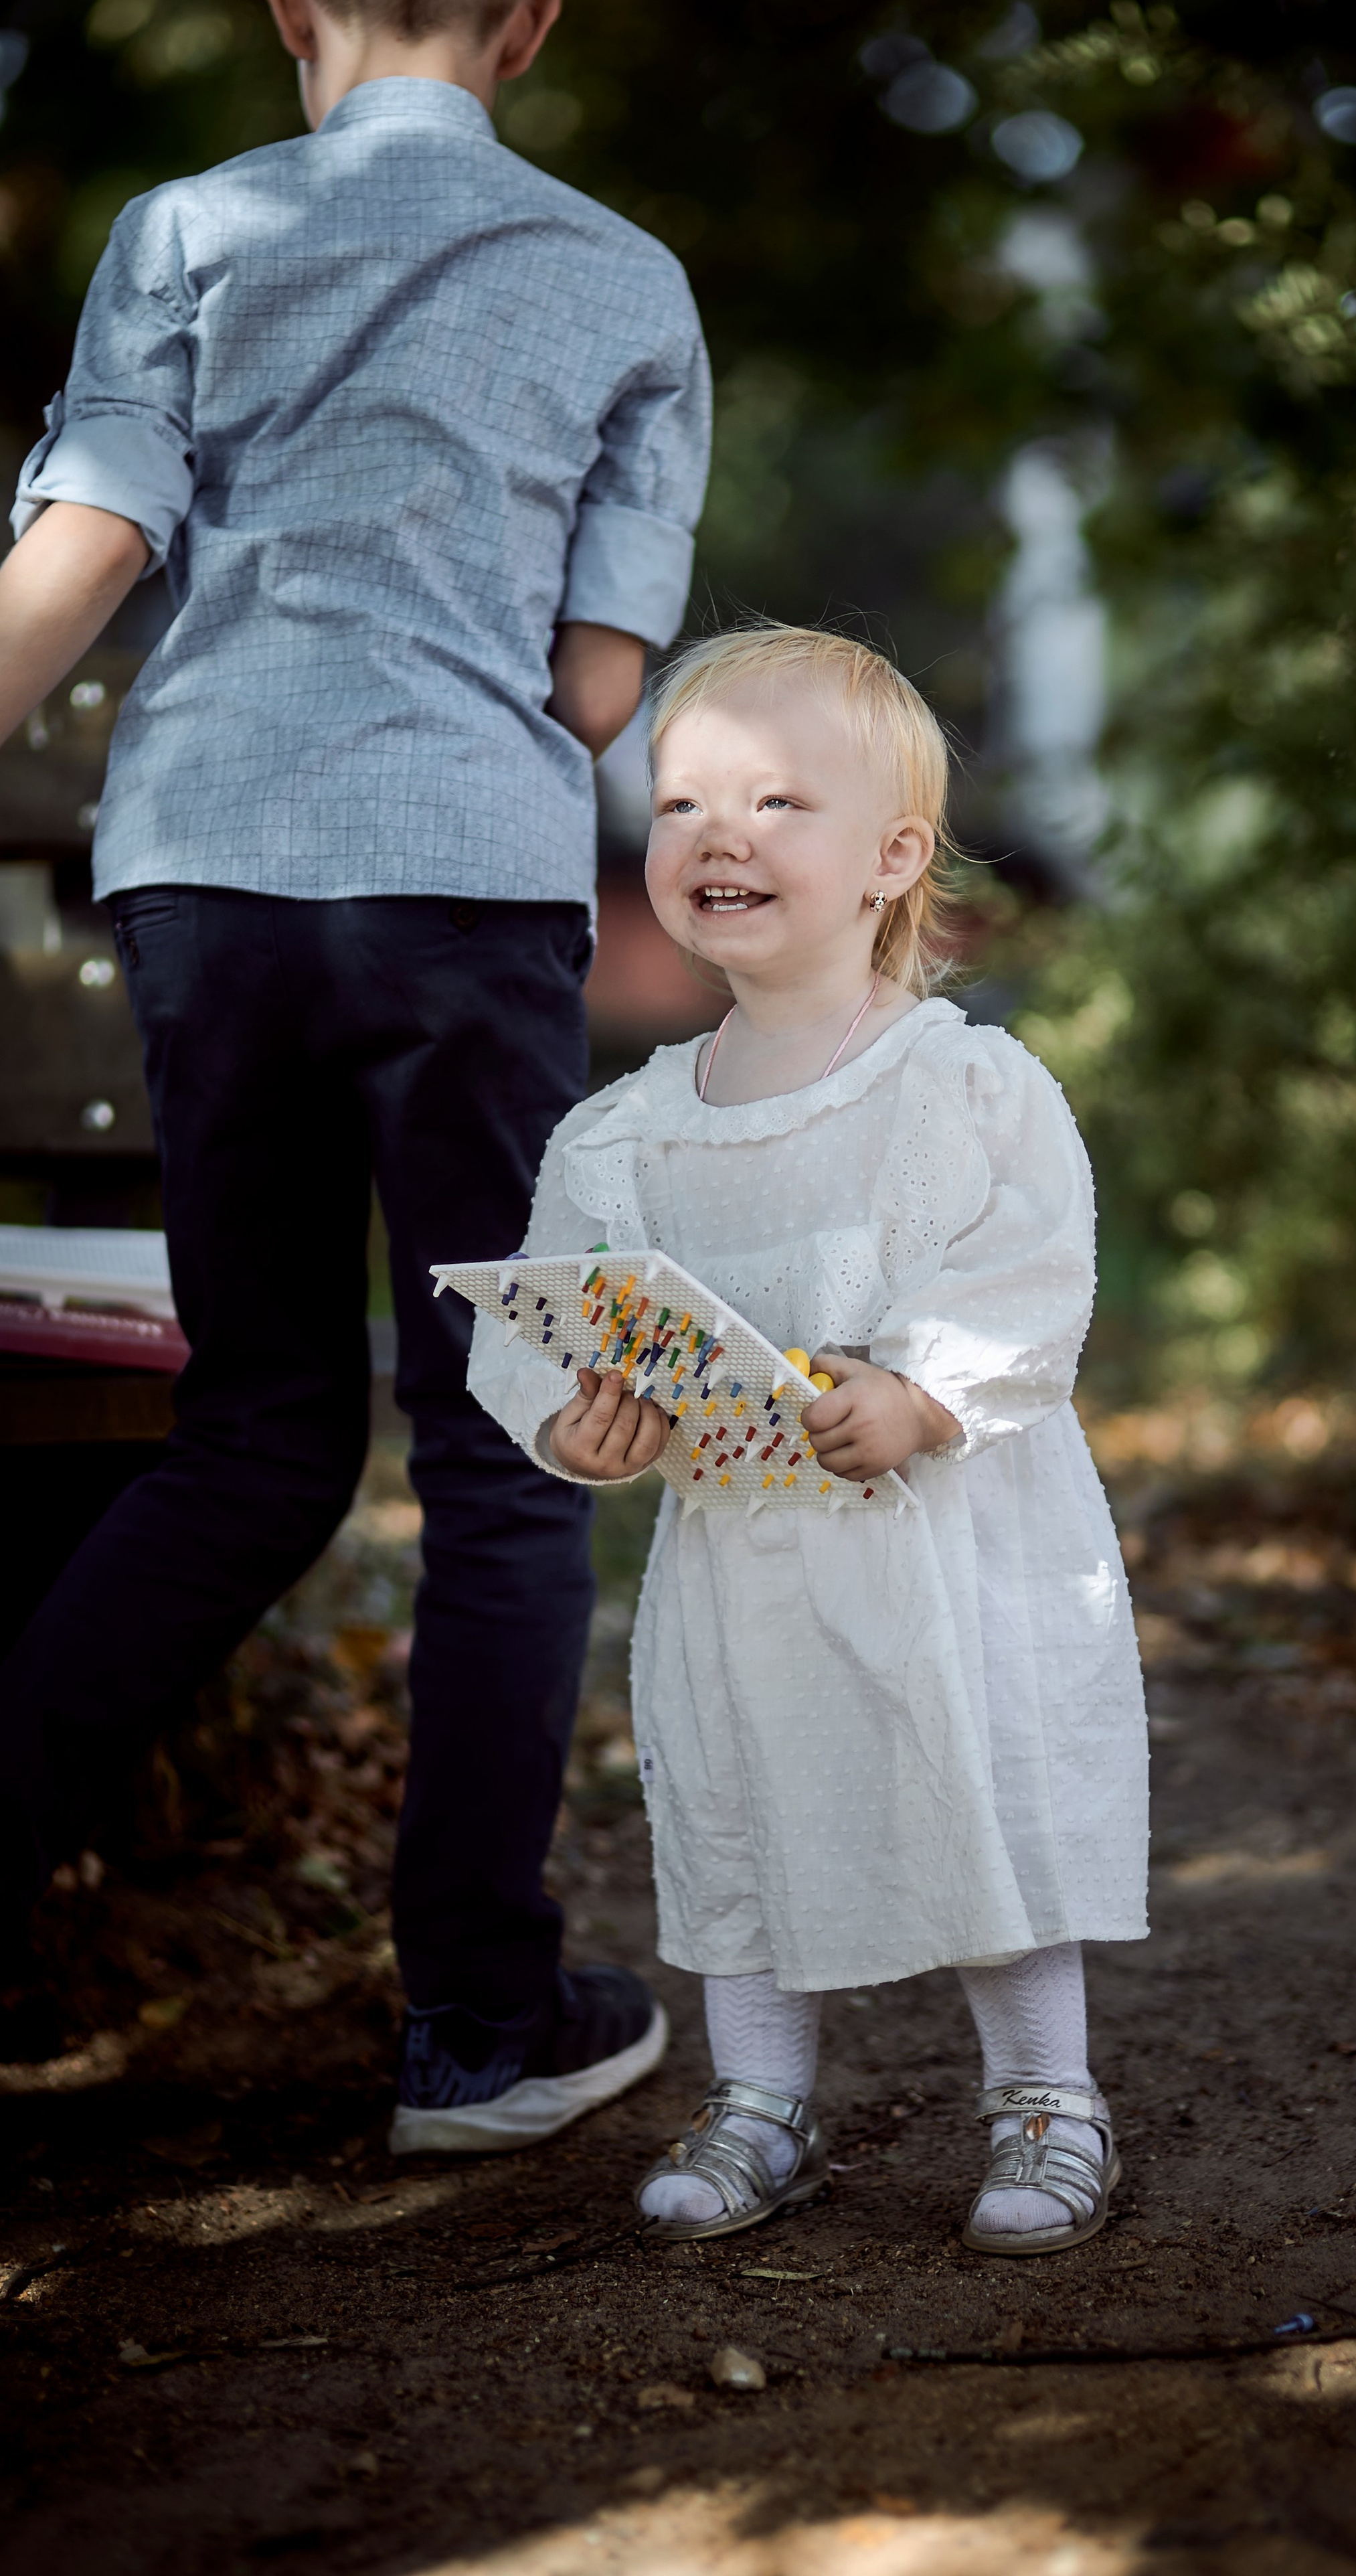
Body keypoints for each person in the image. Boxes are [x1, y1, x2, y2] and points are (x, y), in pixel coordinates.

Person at [0, 0, 710, 2153]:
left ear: (295, 12)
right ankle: (485, 2024)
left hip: (210, 874)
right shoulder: (625, 278)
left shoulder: (190, 227)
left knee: (258, 1439)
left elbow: (96, 543)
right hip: (464, 893)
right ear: (534, 26)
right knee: (501, 1452)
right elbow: (596, 681)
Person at [468, 625, 1149, 2253]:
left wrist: (920, 1390)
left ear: (890, 858)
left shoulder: (961, 1085)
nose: (719, 835)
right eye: (685, 801)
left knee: (972, 1781)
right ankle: (760, 2096)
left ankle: (1048, 2098)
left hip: (942, 1535)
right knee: (742, 1800)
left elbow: (1032, 1266)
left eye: (778, 802)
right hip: (745, 1549)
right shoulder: (622, 1130)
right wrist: (588, 1422)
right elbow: (544, 1323)